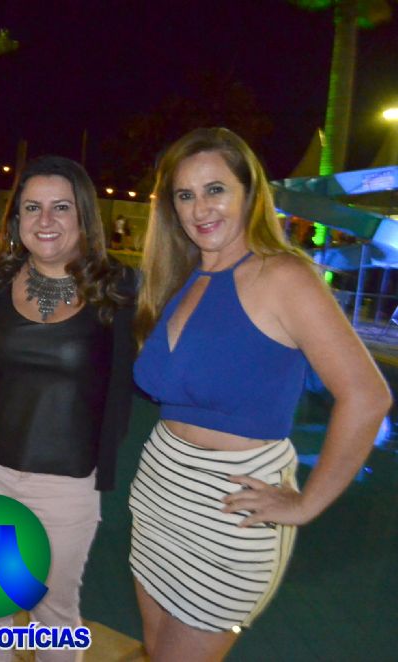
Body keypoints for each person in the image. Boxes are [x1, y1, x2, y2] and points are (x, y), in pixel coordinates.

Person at [130, 127, 391, 661]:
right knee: (157, 651)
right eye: (185, 195)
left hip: (231, 512)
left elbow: (367, 396)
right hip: (159, 495)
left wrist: (307, 503)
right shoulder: (181, 277)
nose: (200, 208)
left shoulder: (283, 276)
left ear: (249, 194)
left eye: (216, 189)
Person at [0, 156, 136, 661]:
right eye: (32, 207)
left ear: (84, 216)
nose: (45, 220)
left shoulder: (118, 289)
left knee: (53, 614)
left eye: (61, 207)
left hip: (67, 486)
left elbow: (154, 373)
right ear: (16, 218)